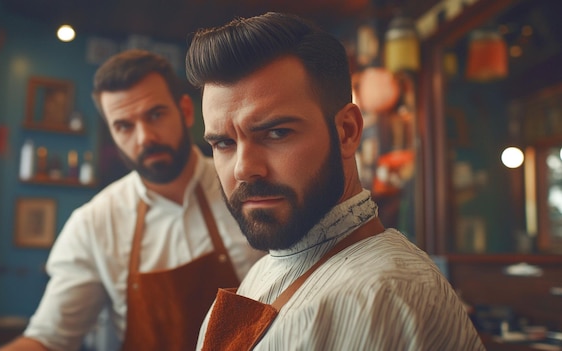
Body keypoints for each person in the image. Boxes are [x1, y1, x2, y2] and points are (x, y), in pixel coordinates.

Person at [185, 12, 485, 351]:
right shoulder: (269, 266)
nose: (243, 169)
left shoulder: (387, 294)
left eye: (277, 133)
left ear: (347, 131)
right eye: (224, 143)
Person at [0, 49, 264, 351]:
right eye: (124, 126)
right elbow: (50, 338)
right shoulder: (95, 222)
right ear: (112, 133)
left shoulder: (246, 188)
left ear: (186, 111)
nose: (144, 137)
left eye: (155, 115)